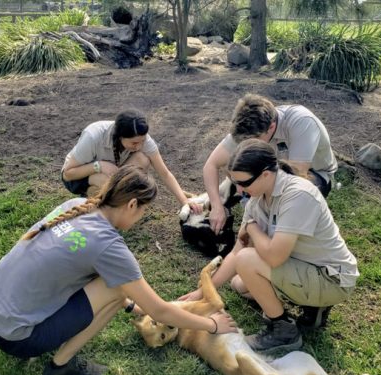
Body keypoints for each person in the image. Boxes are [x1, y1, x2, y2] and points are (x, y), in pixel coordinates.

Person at [0, 166, 236, 375]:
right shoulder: (108, 246)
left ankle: (45, 338)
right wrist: (212, 326)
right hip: (18, 338)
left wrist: (133, 307)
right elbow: (160, 311)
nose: (141, 217)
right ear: (132, 205)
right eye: (143, 211)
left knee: (113, 283)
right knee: (117, 288)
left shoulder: (76, 206)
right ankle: (59, 368)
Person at [180, 139, 358, 352]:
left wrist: (253, 228)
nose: (238, 189)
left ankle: (284, 332)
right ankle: (313, 305)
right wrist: (202, 292)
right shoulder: (256, 198)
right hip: (305, 266)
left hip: (332, 279)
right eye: (234, 181)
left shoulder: (298, 195)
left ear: (266, 174)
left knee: (248, 261)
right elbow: (235, 253)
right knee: (240, 284)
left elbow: (273, 257)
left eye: (243, 182)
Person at [204, 94, 338, 236]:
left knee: (279, 219)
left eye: (252, 140)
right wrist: (217, 207)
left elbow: (296, 177)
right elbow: (211, 165)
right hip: (266, 171)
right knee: (220, 199)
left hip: (312, 175)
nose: (246, 145)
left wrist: (249, 187)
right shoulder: (246, 129)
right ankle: (236, 198)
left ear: (272, 127)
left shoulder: (301, 122)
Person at [62, 108, 200, 213]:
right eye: (134, 143)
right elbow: (67, 174)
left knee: (142, 159)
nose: (139, 146)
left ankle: (113, 198)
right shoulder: (93, 136)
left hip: (113, 172)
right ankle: (97, 200)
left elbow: (164, 173)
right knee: (106, 180)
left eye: (142, 141)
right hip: (79, 177)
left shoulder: (141, 139)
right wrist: (99, 165)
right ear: (120, 136)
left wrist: (183, 200)